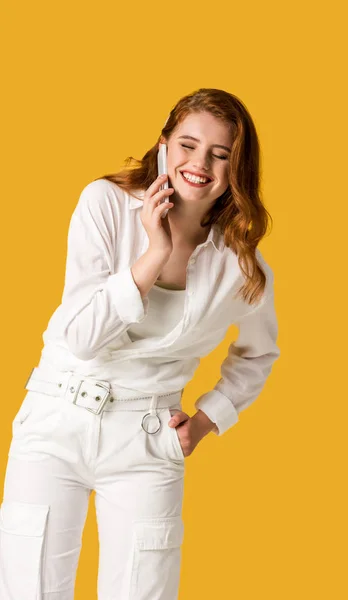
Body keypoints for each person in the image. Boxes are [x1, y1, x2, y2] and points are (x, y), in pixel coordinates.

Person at [0, 88, 280, 599]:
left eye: (221, 155)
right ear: (163, 147)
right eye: (188, 146)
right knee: (29, 589)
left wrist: (206, 419)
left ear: (237, 169)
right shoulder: (105, 204)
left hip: (148, 439)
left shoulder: (242, 267)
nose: (200, 164)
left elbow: (259, 353)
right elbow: (81, 337)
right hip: (54, 424)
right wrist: (154, 253)